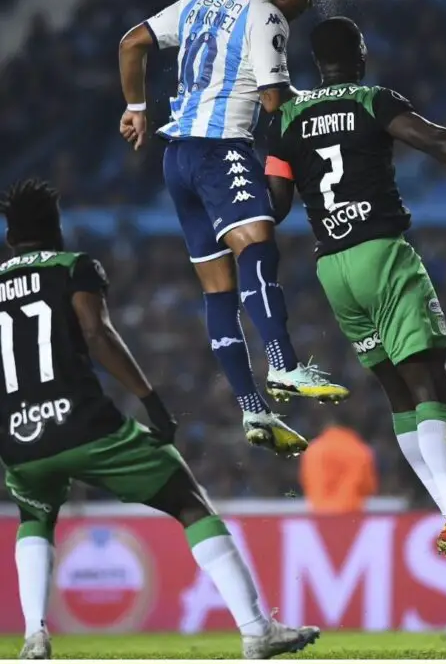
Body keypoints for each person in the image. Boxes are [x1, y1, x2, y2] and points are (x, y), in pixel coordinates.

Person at [265, 16, 446, 584]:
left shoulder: (287, 122)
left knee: (398, 395)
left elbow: (275, 204)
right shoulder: (373, 100)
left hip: (332, 267)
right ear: (360, 53)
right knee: (430, 386)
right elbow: (434, 139)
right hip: (381, 252)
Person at [0, 180, 320, 660]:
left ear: (10, 238)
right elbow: (96, 331)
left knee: (34, 516)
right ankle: (257, 631)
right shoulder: (73, 267)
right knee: (190, 503)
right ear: (56, 229)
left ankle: (34, 637)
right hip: (84, 424)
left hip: (19, 437)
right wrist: (149, 400)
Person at [117, 0, 347, 454]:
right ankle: (284, 366)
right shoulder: (267, 16)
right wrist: (326, 97)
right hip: (221, 151)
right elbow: (273, 100)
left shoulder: (201, 1)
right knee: (258, 248)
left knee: (218, 289)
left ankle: (254, 409)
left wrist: (135, 107)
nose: (304, 10)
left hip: (176, 159)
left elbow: (132, 42)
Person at [300, 414, 378, 513]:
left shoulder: (313, 450)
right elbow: (369, 487)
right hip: (350, 515)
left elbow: (306, 481)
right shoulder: (361, 451)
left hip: (319, 514)